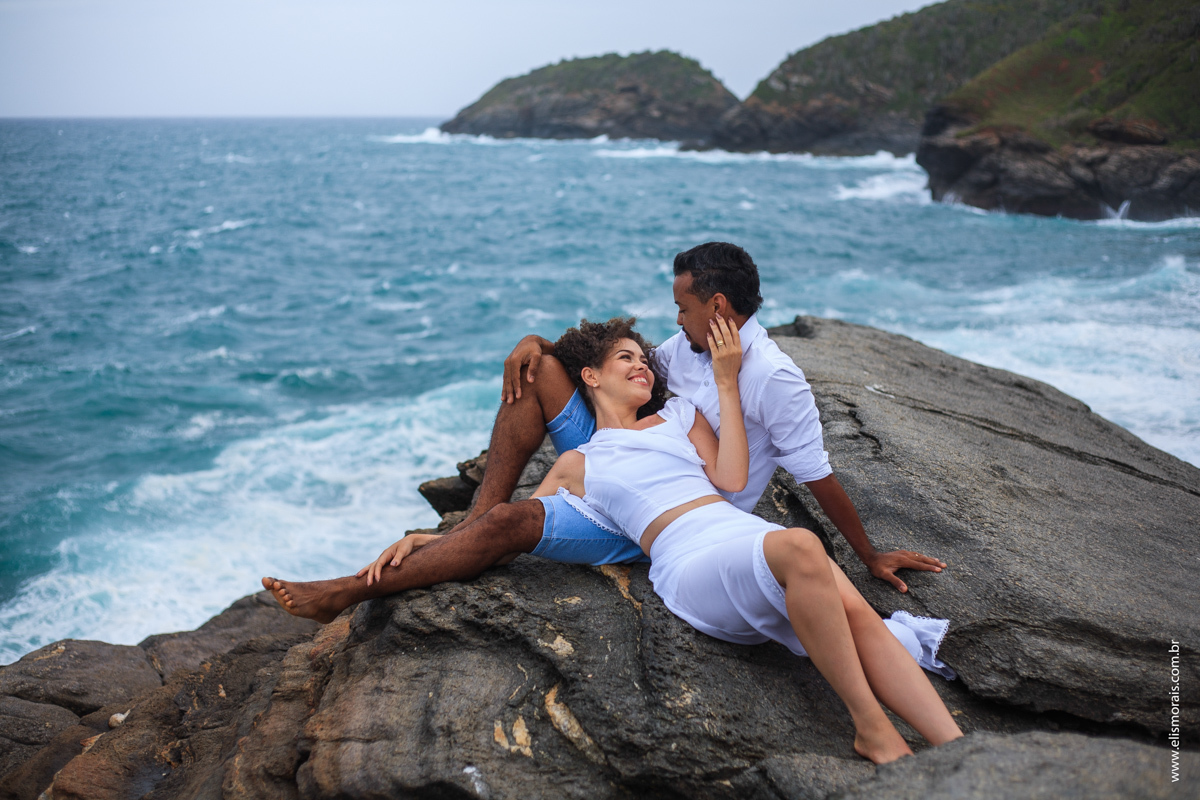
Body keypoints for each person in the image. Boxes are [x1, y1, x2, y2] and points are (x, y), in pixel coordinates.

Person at [271, 315, 963, 764]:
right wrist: (435, 537)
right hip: (683, 556)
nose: (644, 367)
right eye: (626, 359)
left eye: (645, 360)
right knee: (802, 550)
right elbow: (504, 530)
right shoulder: (578, 462)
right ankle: (870, 726)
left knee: (858, 612)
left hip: (729, 529)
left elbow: (729, 475)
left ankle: (953, 748)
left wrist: (723, 382)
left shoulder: (679, 417)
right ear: (592, 377)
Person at [262, 243, 946, 627]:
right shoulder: (684, 354)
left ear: (714, 306)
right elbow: (597, 362)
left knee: (515, 524)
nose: (672, 321)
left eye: (681, 306)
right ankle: (468, 528)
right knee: (537, 373)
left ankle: (357, 587)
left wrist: (868, 555)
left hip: (673, 512)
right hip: (630, 455)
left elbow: (816, 471)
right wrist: (534, 342)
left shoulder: (774, 378)